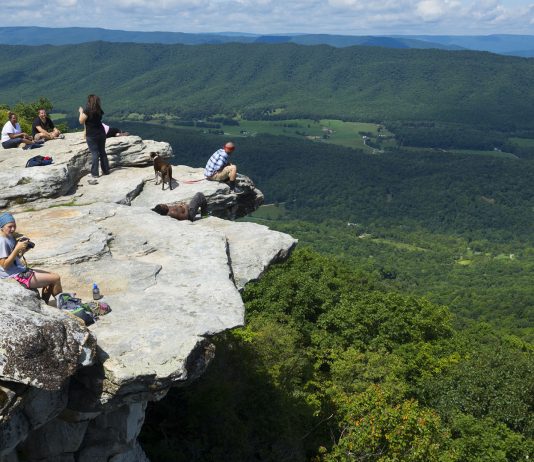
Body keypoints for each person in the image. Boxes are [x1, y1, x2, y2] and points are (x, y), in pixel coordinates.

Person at [0, 212, 63, 305]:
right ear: (2, 227)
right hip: (14, 275)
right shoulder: (2, 241)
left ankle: (45, 304)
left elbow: (13, 259)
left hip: (18, 270)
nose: (13, 229)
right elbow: (5, 265)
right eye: (10, 226)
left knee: (52, 275)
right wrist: (17, 249)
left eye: (14, 226)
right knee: (56, 278)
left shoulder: (9, 236)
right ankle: (64, 305)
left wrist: (24, 250)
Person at [78, 95, 109, 185]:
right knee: (102, 152)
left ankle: (95, 173)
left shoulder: (87, 110)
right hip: (101, 133)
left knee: (95, 153)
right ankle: (106, 170)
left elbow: (81, 121)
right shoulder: (99, 110)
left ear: (89, 101)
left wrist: (80, 112)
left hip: (92, 135)